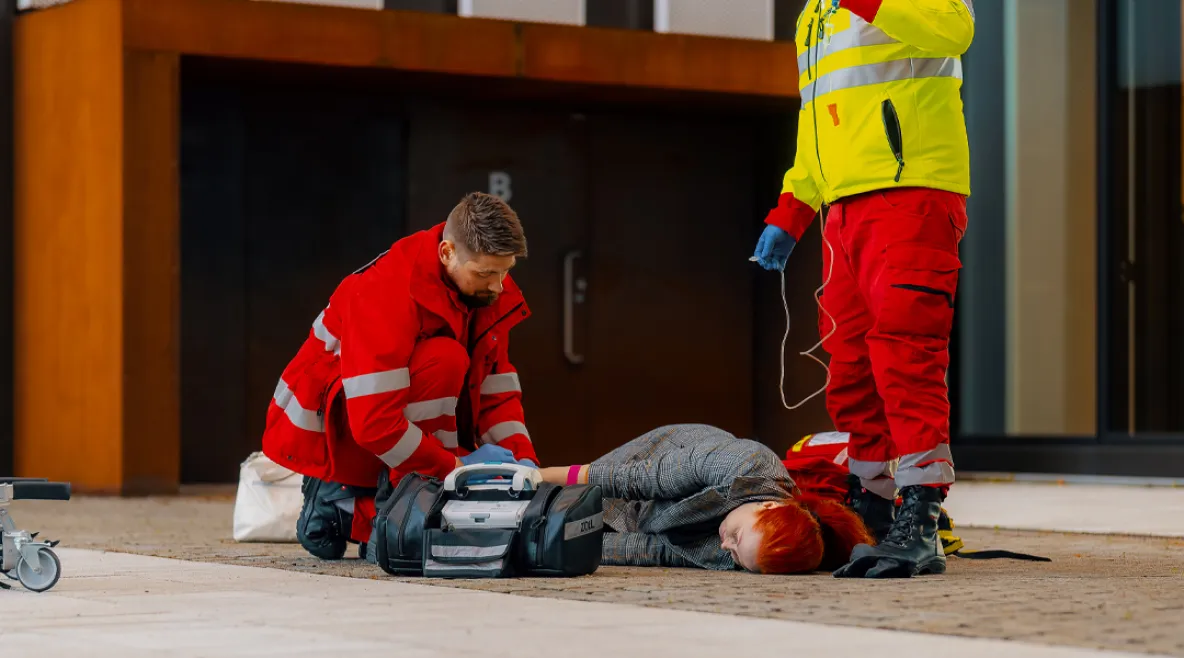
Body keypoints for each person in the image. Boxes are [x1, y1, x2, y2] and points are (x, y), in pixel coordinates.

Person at [751, 0, 975, 578]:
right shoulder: (813, 16)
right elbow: (817, 126)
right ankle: (872, 506)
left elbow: (955, 31)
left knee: (906, 350)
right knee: (850, 363)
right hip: (845, 208)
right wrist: (791, 210)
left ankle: (921, 517)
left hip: (914, 189)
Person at [262, 192, 539, 560]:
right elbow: (375, 423)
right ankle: (396, 513)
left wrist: (526, 465)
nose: (498, 286)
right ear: (446, 253)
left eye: (505, 272)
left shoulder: (481, 293)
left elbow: (495, 392)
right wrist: (451, 468)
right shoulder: (388, 290)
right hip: (331, 434)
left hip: (376, 428)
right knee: (445, 359)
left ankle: (348, 511)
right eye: (486, 273)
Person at [537, 424, 873, 574]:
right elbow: (638, 479)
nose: (727, 547)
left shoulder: (740, 554)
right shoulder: (745, 464)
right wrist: (544, 475)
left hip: (664, 521)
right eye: (737, 538)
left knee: (557, 532)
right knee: (563, 495)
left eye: (739, 559)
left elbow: (656, 551)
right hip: (660, 458)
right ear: (769, 505)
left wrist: (565, 548)